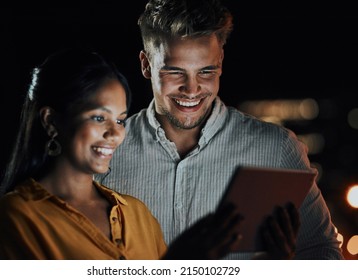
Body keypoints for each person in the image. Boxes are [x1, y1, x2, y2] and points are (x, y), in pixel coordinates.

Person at [95, 0, 344, 259]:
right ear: (146, 65)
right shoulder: (103, 152)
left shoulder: (276, 150)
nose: (192, 90)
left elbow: (325, 257)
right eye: (175, 72)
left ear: (221, 61)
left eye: (205, 72)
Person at [0, 48, 243, 260]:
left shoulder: (137, 215)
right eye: (98, 118)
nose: (115, 134)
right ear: (51, 121)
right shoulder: (17, 217)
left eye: (119, 120)